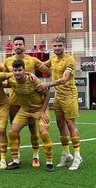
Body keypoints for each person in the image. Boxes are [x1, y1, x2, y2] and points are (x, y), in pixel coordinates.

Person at [35, 35, 83, 171]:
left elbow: (65, 79)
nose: (57, 48)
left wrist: (47, 84)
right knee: (60, 125)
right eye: (55, 46)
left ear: (64, 46)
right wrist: (30, 71)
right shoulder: (53, 58)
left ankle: (77, 156)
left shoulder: (70, 60)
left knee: (70, 124)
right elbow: (42, 67)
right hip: (58, 96)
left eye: (59, 46)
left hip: (69, 96)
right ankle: (66, 153)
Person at [4, 36, 50, 167]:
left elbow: (48, 70)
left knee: (33, 130)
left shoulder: (32, 60)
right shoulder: (8, 61)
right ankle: (16, 157)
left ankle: (36, 157)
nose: (18, 46)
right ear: (13, 46)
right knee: (14, 131)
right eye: (16, 44)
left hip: (31, 100)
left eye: (20, 44)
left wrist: (31, 74)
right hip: (14, 100)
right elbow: (3, 75)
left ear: (24, 46)